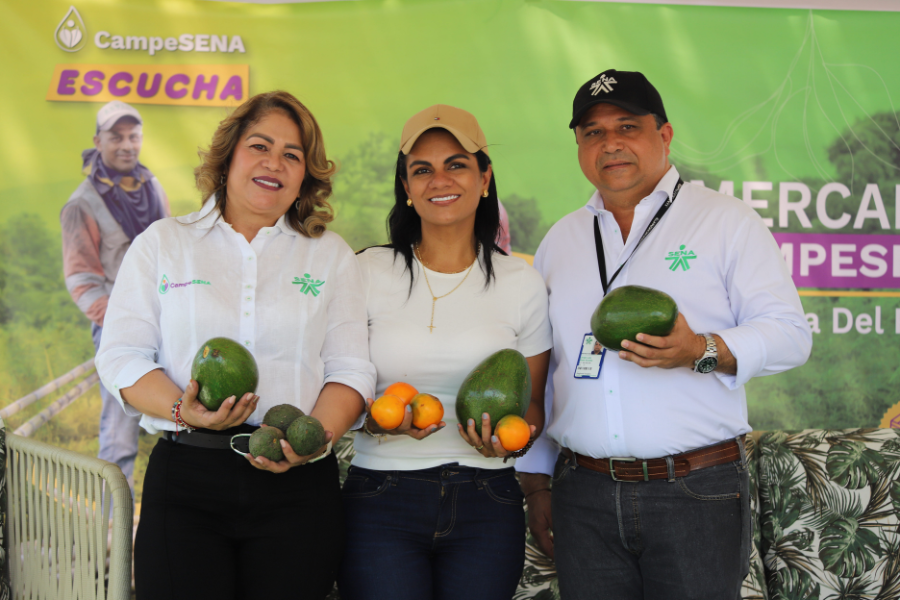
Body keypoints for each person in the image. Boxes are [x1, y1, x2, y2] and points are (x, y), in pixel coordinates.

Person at [515, 69, 812, 599]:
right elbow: (552, 369)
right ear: (580, 147)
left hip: (694, 490)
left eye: (627, 127)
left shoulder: (725, 221)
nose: (610, 144)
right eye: (593, 132)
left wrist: (699, 350)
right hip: (583, 494)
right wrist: (537, 482)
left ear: (665, 134)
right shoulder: (561, 239)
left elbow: (791, 335)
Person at [95, 90, 375, 600]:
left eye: (292, 155)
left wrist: (310, 442)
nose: (274, 163)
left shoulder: (330, 256)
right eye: (260, 146)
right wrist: (182, 410)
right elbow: (121, 356)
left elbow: (350, 369)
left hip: (299, 489)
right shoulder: (163, 243)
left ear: (305, 176)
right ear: (228, 158)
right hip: (186, 481)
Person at [338, 104, 552, 600]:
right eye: (422, 169)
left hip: (488, 499)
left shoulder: (521, 281)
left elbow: (533, 406)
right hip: (381, 496)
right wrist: (374, 422)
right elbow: (336, 384)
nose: (440, 180)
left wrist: (511, 444)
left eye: (456, 164)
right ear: (406, 188)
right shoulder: (366, 271)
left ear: (484, 178)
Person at [60, 100, 170, 492]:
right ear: (98, 141)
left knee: (178, 416)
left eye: (133, 136)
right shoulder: (82, 204)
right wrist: (123, 323)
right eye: (116, 136)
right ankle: (112, 521)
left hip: (167, 321)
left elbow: (170, 251)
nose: (127, 145)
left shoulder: (151, 186)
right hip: (117, 328)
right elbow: (82, 280)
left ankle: (168, 509)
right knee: (121, 429)